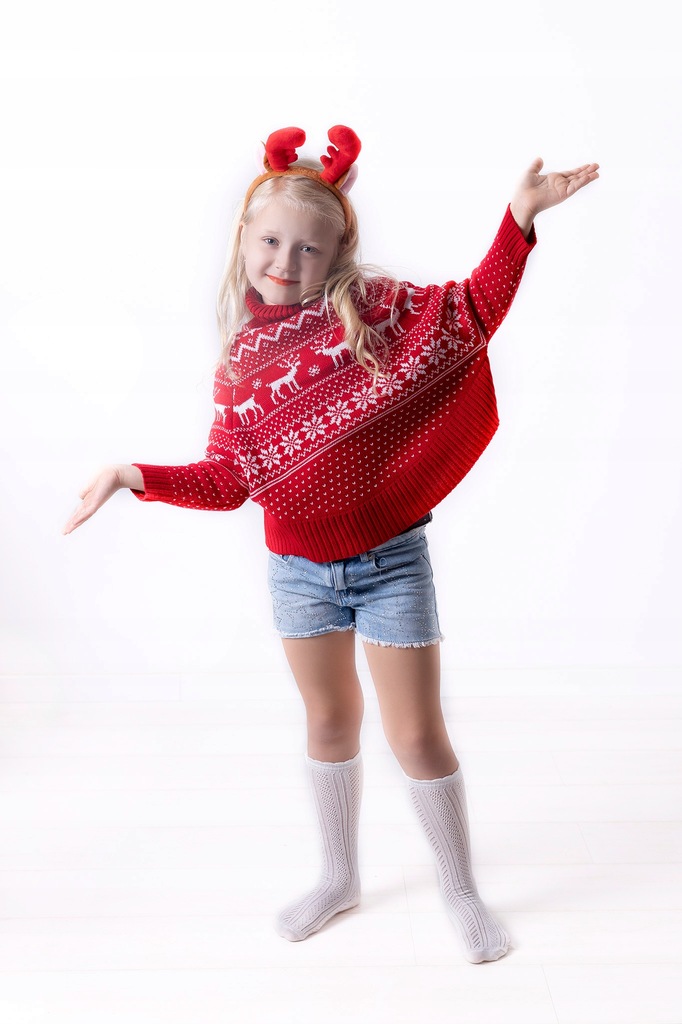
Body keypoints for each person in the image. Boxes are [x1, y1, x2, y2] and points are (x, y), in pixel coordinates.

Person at [63, 125, 599, 963]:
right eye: (271, 242)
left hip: (390, 564)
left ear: (338, 250)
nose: (285, 261)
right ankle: (339, 876)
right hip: (297, 574)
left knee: (416, 735)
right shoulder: (241, 365)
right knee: (328, 720)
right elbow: (229, 479)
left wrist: (519, 219)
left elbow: (470, 312)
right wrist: (134, 475)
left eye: (308, 248)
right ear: (244, 239)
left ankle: (461, 891)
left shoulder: (373, 315)